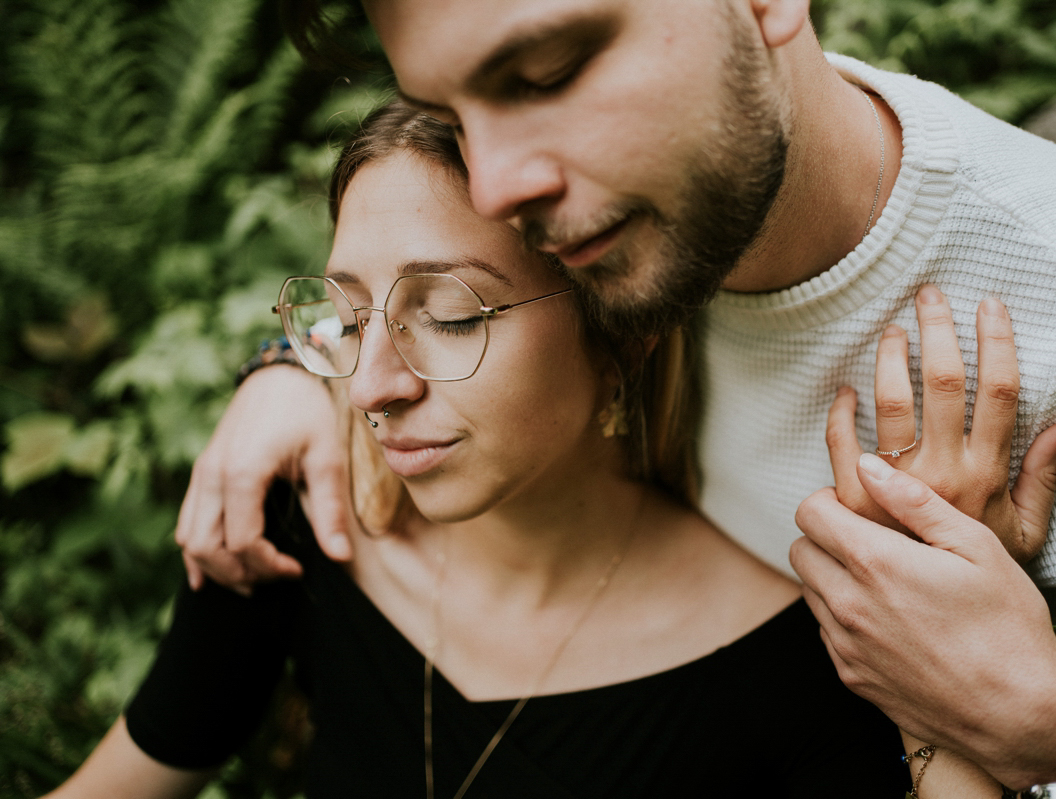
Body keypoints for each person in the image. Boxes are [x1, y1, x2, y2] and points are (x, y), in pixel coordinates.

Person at [176, 0, 1056, 793]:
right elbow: (417, 279)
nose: (492, 189)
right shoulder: (609, 221)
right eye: (454, 112)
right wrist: (283, 372)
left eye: (547, 74)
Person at [48, 100, 933, 799]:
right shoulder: (300, 531)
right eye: (352, 317)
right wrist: (275, 369)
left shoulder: (794, 660)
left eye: (452, 315)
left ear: (624, 335)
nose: (370, 387)